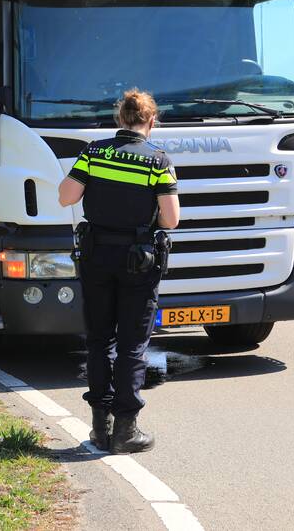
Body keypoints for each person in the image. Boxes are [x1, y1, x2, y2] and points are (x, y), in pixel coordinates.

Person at [58, 89, 181, 454]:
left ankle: (100, 428)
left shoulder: (94, 152)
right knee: (132, 345)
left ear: (119, 119)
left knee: (99, 341)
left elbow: (66, 197)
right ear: (152, 121)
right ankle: (126, 431)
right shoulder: (157, 161)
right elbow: (171, 220)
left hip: (96, 256)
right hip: (138, 261)